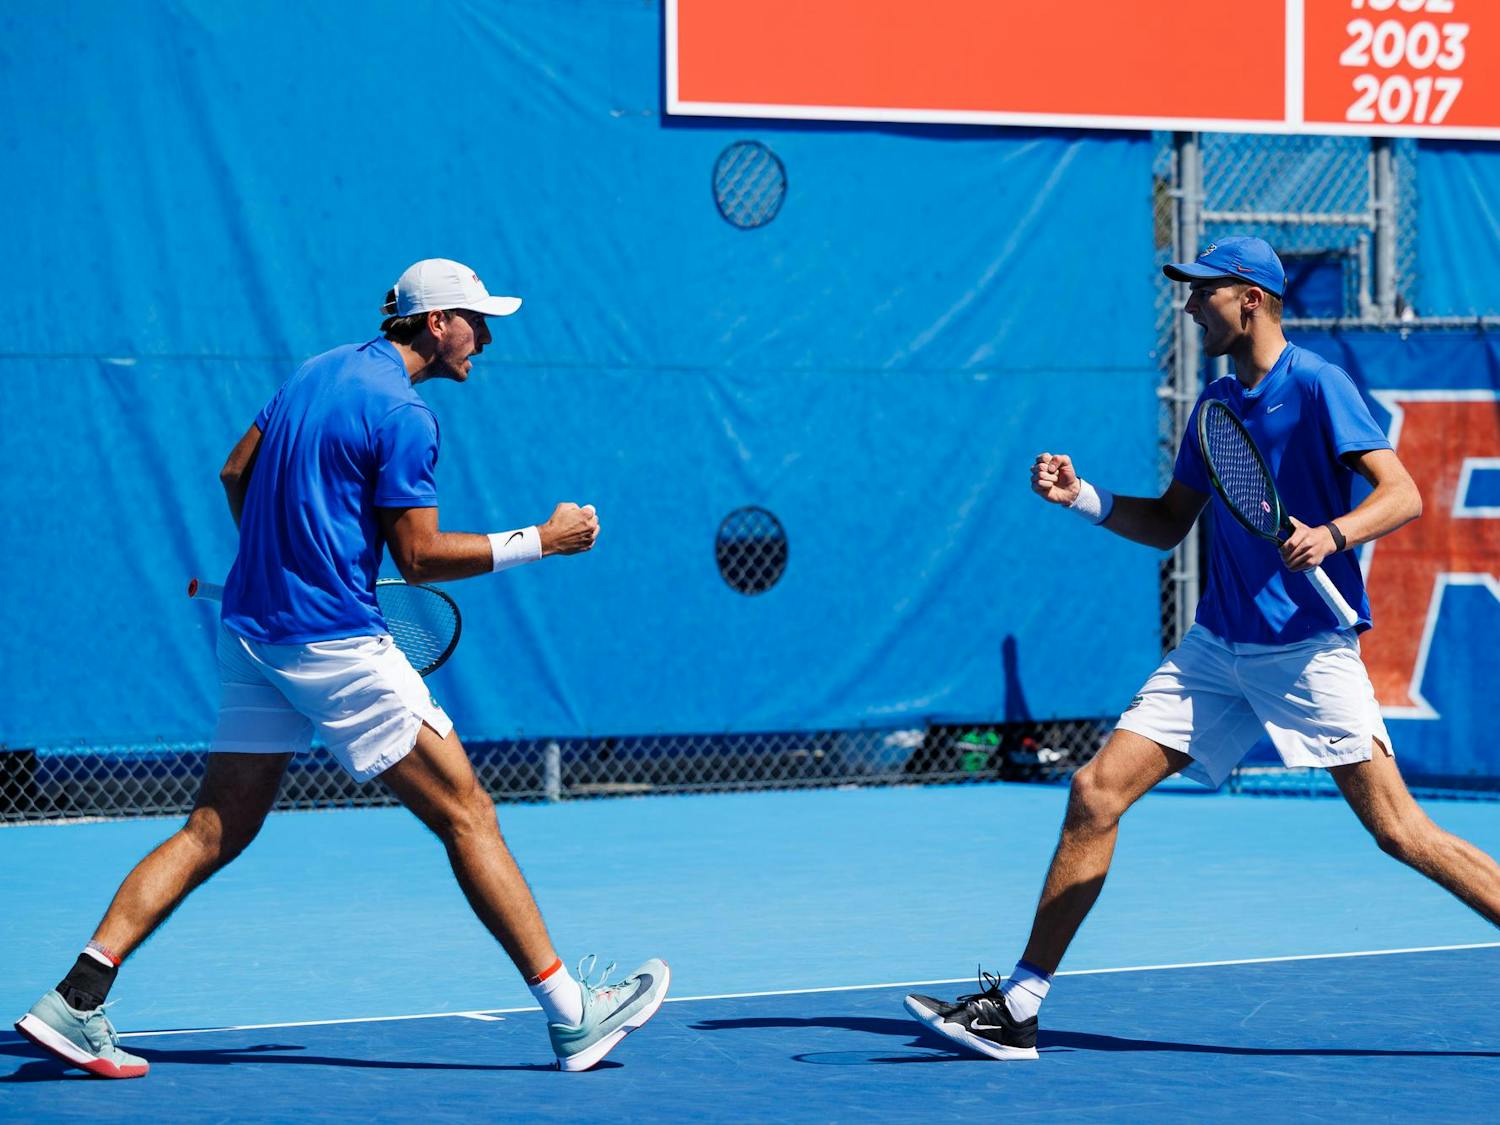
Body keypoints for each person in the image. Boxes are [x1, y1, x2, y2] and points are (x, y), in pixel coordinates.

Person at [15, 258, 669, 1077]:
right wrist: (544, 538)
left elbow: (235, 471)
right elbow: (421, 557)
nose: (487, 336)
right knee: (468, 812)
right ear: (435, 323)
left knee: (216, 826)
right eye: (477, 319)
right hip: (332, 642)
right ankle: (574, 1016)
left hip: (252, 629)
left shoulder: (319, 367)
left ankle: (76, 997)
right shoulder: (406, 414)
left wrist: (274, 556)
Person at [904, 236, 1500, 1060]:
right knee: (1094, 792)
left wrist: (1333, 533)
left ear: (1249, 298)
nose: (1188, 308)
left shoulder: (1318, 384)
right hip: (1218, 648)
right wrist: (1082, 496)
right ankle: (1020, 1003)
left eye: (1202, 293)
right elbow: (1166, 523)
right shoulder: (1216, 408)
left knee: (1399, 830)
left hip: (1305, 650)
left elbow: (1400, 494)